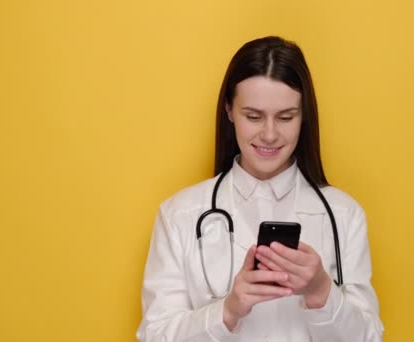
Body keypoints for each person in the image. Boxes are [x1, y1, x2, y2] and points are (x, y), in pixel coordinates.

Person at [136, 36, 384, 341]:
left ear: (304, 116)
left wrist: (321, 291)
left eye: (285, 117)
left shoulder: (344, 215)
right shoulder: (180, 215)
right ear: (228, 110)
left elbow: (369, 337)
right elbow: (154, 336)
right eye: (253, 116)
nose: (269, 134)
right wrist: (227, 311)